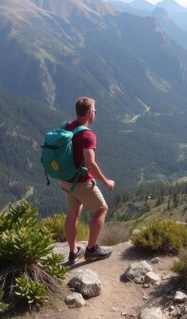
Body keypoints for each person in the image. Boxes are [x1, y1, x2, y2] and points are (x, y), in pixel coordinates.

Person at [61, 97, 115, 263]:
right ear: (90, 113)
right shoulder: (87, 135)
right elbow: (90, 164)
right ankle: (91, 249)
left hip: (66, 179)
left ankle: (73, 251)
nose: (95, 113)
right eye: (94, 110)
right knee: (101, 209)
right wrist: (106, 182)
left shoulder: (67, 126)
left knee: (72, 213)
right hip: (81, 182)